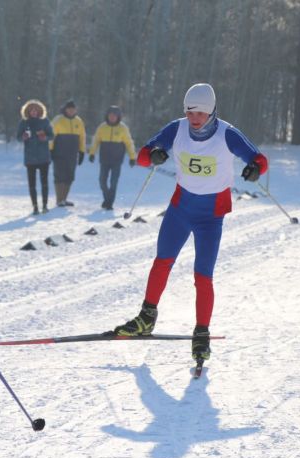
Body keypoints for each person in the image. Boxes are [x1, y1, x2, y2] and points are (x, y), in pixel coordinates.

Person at [108, 83, 268, 364]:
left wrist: (255, 169)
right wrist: (154, 155)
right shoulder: (177, 128)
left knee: (202, 276)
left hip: (211, 216)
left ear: (212, 112)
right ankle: (146, 318)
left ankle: (201, 334)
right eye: (191, 112)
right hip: (181, 209)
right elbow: (143, 155)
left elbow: (259, 159)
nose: (195, 119)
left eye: (201, 114)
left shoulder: (226, 134)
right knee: (162, 261)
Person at [88, 105, 136, 210]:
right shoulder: (102, 127)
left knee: (113, 182)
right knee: (102, 181)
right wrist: (92, 153)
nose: (112, 117)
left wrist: (132, 157)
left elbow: (129, 143)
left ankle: (109, 203)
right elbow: (96, 140)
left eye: (114, 116)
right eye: (110, 115)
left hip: (117, 160)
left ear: (118, 117)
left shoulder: (123, 128)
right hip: (104, 159)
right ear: (107, 116)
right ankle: (107, 199)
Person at [16, 99, 53, 215]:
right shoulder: (24, 123)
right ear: (27, 111)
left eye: (36, 110)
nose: (34, 112)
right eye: (32, 110)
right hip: (30, 158)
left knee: (44, 183)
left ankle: (45, 205)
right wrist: (23, 137)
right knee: (32, 184)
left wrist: (44, 137)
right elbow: (17, 138)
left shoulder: (45, 121)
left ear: (40, 111)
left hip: (44, 157)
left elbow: (52, 136)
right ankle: (35, 206)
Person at [49, 99, 86, 207]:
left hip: (72, 154)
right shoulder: (58, 120)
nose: (71, 111)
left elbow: (82, 137)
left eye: (73, 109)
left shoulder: (78, 121)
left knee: (70, 176)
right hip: (59, 153)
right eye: (69, 109)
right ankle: (59, 199)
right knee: (59, 176)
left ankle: (64, 199)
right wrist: (50, 149)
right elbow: (51, 136)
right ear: (65, 109)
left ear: (75, 110)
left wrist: (82, 151)